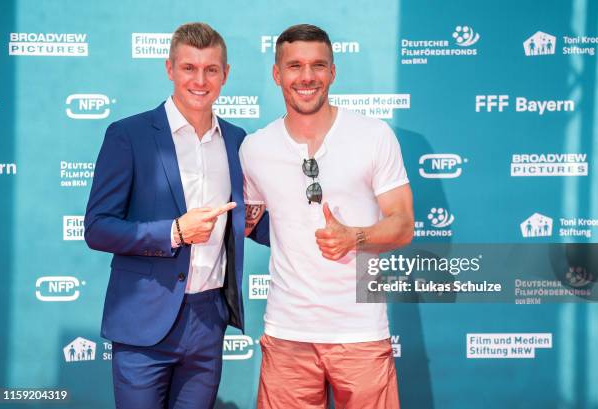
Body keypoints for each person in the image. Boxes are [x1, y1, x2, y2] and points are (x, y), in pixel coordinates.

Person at [84, 22, 268, 409]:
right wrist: (174, 231)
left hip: (207, 320)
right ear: (170, 69)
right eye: (189, 68)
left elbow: (254, 224)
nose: (199, 80)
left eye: (210, 70)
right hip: (142, 321)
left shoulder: (238, 141)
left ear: (225, 74)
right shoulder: (128, 135)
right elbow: (98, 228)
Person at [241, 24, 414, 408]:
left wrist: (356, 237)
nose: (306, 77)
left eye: (318, 65)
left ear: (332, 73)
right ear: (276, 74)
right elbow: (248, 221)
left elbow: (403, 224)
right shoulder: (254, 148)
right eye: (294, 66)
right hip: (287, 334)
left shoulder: (373, 135)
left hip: (361, 333)